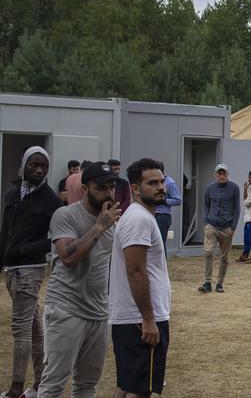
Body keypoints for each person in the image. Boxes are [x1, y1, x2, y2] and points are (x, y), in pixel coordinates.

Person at [38, 161, 121, 398]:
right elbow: (68, 257)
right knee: (54, 384)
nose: (108, 193)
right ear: (84, 189)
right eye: (101, 188)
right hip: (65, 309)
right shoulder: (65, 215)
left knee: (87, 385)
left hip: (97, 311)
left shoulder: (112, 222)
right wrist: (99, 227)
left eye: (111, 187)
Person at [1, 146, 59, 398]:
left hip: (30, 270)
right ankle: (40, 384)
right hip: (11, 270)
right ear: (23, 165)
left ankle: (16, 387)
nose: (39, 169)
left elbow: (56, 238)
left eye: (43, 166)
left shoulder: (51, 200)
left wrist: (26, 249)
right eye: (34, 164)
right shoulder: (13, 193)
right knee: (35, 328)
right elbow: (5, 231)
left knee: (20, 328)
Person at [109, 158, 170, 398]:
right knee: (139, 390)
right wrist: (148, 319)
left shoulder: (140, 216)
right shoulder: (138, 219)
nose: (160, 187)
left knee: (127, 385)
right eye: (152, 183)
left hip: (134, 318)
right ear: (135, 188)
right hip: (140, 320)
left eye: (161, 182)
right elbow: (135, 271)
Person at [198, 163, 241, 294]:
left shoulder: (234, 188)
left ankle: (220, 283)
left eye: (224, 173)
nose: (222, 176)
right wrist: (206, 223)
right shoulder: (210, 188)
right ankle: (207, 283)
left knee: (224, 258)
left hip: (227, 227)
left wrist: (233, 227)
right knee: (208, 252)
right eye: (219, 174)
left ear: (228, 175)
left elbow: (236, 208)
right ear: (215, 175)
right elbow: (206, 205)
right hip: (211, 226)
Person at [153, 173, 181, 253]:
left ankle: (162, 264)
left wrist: (164, 201)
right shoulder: (153, 182)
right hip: (152, 214)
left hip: (162, 215)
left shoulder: (170, 183)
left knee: (160, 243)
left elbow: (178, 200)